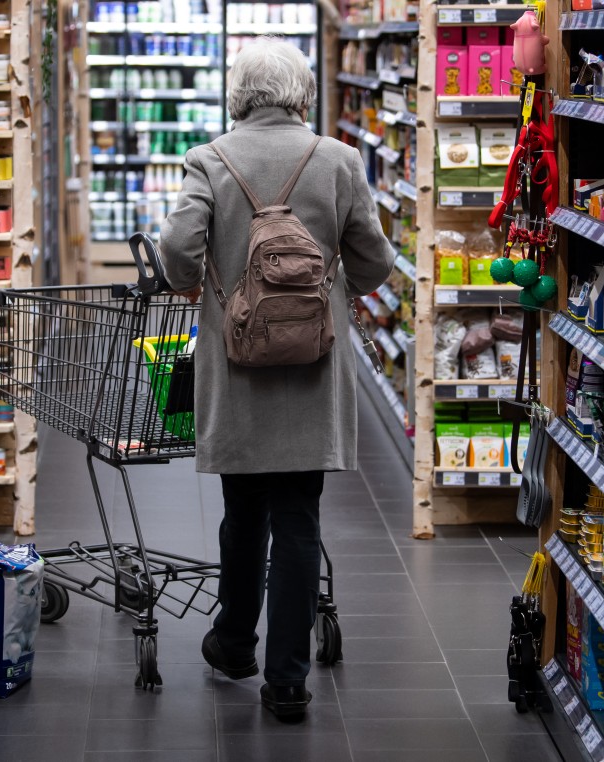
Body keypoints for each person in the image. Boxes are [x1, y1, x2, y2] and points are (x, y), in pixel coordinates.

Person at [159, 36, 393, 721]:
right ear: (302, 94)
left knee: (244, 513)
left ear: (238, 96)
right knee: (298, 518)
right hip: (312, 371)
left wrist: (202, 282)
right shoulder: (339, 161)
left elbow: (178, 251)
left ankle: (234, 643)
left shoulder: (209, 159)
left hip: (236, 371)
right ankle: (286, 680)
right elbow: (375, 264)